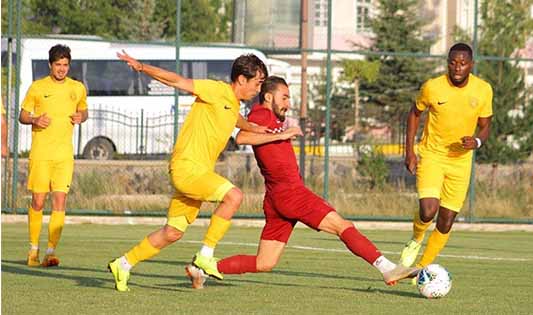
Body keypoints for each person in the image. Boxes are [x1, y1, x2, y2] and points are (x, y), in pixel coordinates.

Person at [185, 76, 417, 289]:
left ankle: (202, 269)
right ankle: (388, 268)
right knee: (343, 226)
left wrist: (281, 133)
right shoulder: (260, 114)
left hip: (277, 198)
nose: (288, 102)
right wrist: (281, 135)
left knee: (265, 262)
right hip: (291, 194)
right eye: (284, 97)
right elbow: (242, 136)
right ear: (268, 96)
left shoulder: (274, 119)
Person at [108, 51, 269, 292]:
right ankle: (206, 255)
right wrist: (142, 67)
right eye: (257, 83)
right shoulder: (216, 90)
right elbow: (176, 80)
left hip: (196, 173)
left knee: (172, 232)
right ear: (242, 79)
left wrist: (253, 127)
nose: (258, 89)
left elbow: (234, 118)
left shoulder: (231, 104)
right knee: (234, 196)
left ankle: (123, 263)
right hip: (187, 168)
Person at [398, 43, 493, 272]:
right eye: (452, 62)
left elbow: (485, 125)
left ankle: (421, 268)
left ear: (471, 64)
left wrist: (477, 141)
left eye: (462, 63)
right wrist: (409, 151)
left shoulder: (483, 90)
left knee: (446, 220)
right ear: (448, 63)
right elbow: (414, 113)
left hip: (461, 161)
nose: (457, 67)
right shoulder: (433, 87)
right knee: (428, 211)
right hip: (432, 155)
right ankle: (416, 238)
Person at [18, 44, 88, 267]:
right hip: (41, 154)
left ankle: (50, 251)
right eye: (58, 64)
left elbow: (84, 110)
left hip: (64, 155)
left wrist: (81, 117)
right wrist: (35, 120)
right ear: (50, 65)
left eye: (65, 65)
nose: (61, 69)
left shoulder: (77, 88)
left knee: (60, 201)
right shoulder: (37, 87)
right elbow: (22, 115)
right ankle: (33, 250)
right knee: (38, 201)